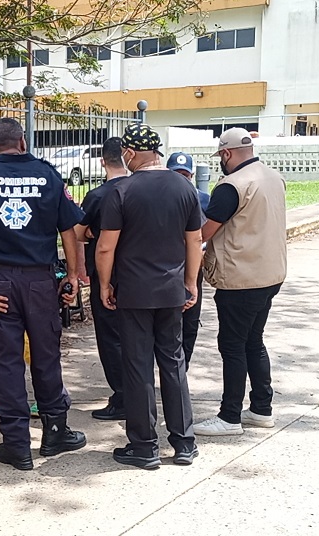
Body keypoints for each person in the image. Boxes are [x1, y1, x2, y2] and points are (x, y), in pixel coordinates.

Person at [0, 117, 86, 471]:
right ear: (23, 143)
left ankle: (17, 444)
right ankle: (56, 431)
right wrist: (72, 275)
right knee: (46, 356)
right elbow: (70, 229)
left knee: (5, 362)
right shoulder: (48, 175)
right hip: (41, 282)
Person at [95, 123, 202, 469]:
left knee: (138, 365)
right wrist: (191, 282)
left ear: (130, 153)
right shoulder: (183, 187)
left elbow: (105, 247)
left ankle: (144, 445)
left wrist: (104, 285)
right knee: (173, 361)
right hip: (171, 291)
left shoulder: (121, 191)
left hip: (134, 292)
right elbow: (193, 241)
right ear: (157, 150)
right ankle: (184, 441)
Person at [193, 128, 286, 436]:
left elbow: (205, 232)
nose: (221, 161)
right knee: (253, 341)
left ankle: (229, 416)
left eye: (221, 156)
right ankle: (261, 408)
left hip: (240, 279)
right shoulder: (274, 177)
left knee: (232, 346)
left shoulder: (231, 186)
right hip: (270, 275)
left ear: (227, 154)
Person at [75, 137, 127, 421]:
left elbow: (79, 233)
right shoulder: (138, 190)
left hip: (106, 276)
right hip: (139, 274)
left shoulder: (97, 196)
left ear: (102, 161)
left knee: (111, 340)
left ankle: (122, 398)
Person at [167, 152, 210, 369]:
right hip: (170, 265)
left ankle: (184, 367)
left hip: (194, 265)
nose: (182, 179)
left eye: (186, 175)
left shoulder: (203, 199)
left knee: (191, 321)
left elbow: (209, 233)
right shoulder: (162, 198)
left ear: (192, 176)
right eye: (177, 175)